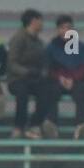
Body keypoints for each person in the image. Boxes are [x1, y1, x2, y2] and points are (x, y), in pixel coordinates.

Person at [7, 8, 52, 139]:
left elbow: (44, 62)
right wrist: (26, 72)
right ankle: (18, 126)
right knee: (22, 93)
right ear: (33, 21)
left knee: (46, 92)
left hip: (34, 79)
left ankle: (34, 125)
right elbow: (12, 63)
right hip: (17, 79)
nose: (42, 24)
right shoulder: (18, 38)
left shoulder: (39, 42)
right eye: (40, 21)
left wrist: (43, 72)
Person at [46, 14, 84, 138]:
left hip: (75, 80)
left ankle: (80, 125)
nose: (66, 31)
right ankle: (52, 125)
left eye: (69, 27)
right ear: (58, 30)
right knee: (49, 90)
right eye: (63, 28)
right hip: (57, 80)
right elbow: (49, 68)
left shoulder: (82, 47)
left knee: (82, 90)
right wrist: (60, 78)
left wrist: (73, 79)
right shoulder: (51, 47)